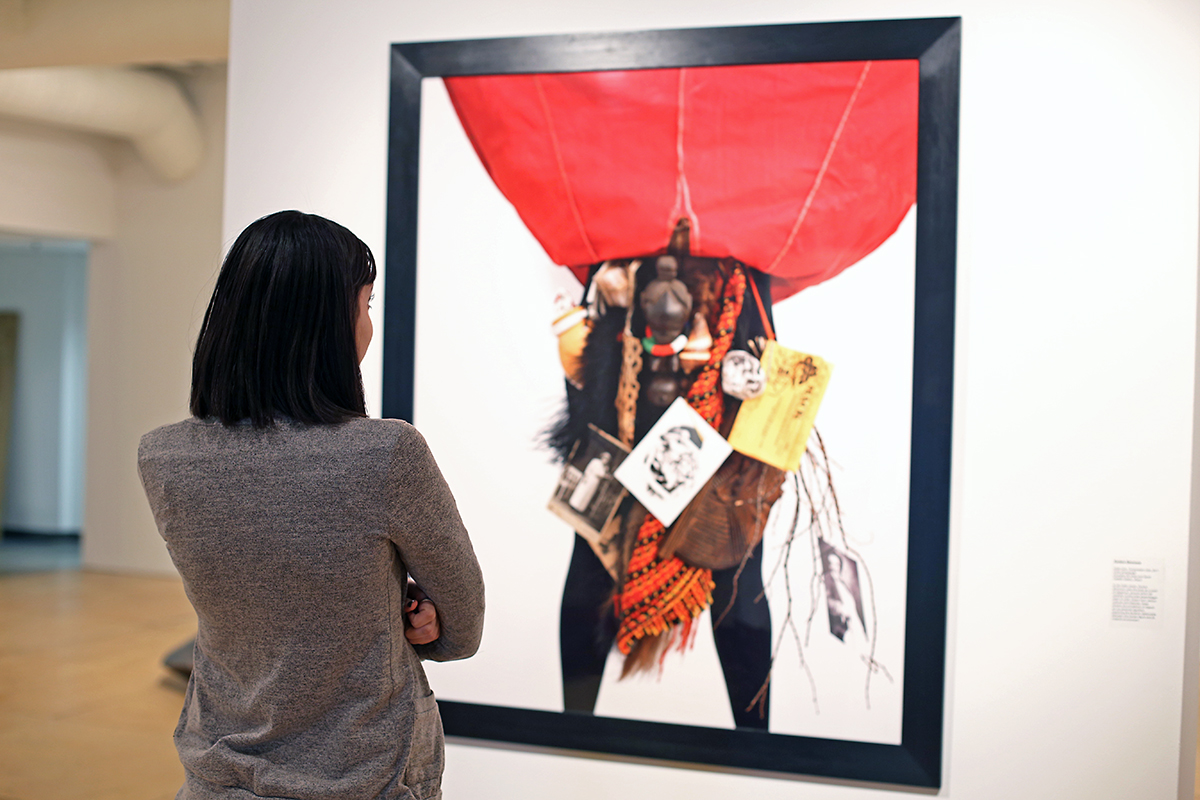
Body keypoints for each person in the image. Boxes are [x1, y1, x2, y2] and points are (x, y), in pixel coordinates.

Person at [138, 210, 485, 800]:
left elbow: (261, 588)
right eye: (366, 305)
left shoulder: (163, 457)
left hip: (218, 773)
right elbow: (462, 626)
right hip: (366, 775)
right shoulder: (386, 454)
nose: (369, 325)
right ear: (328, 323)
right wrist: (414, 617)